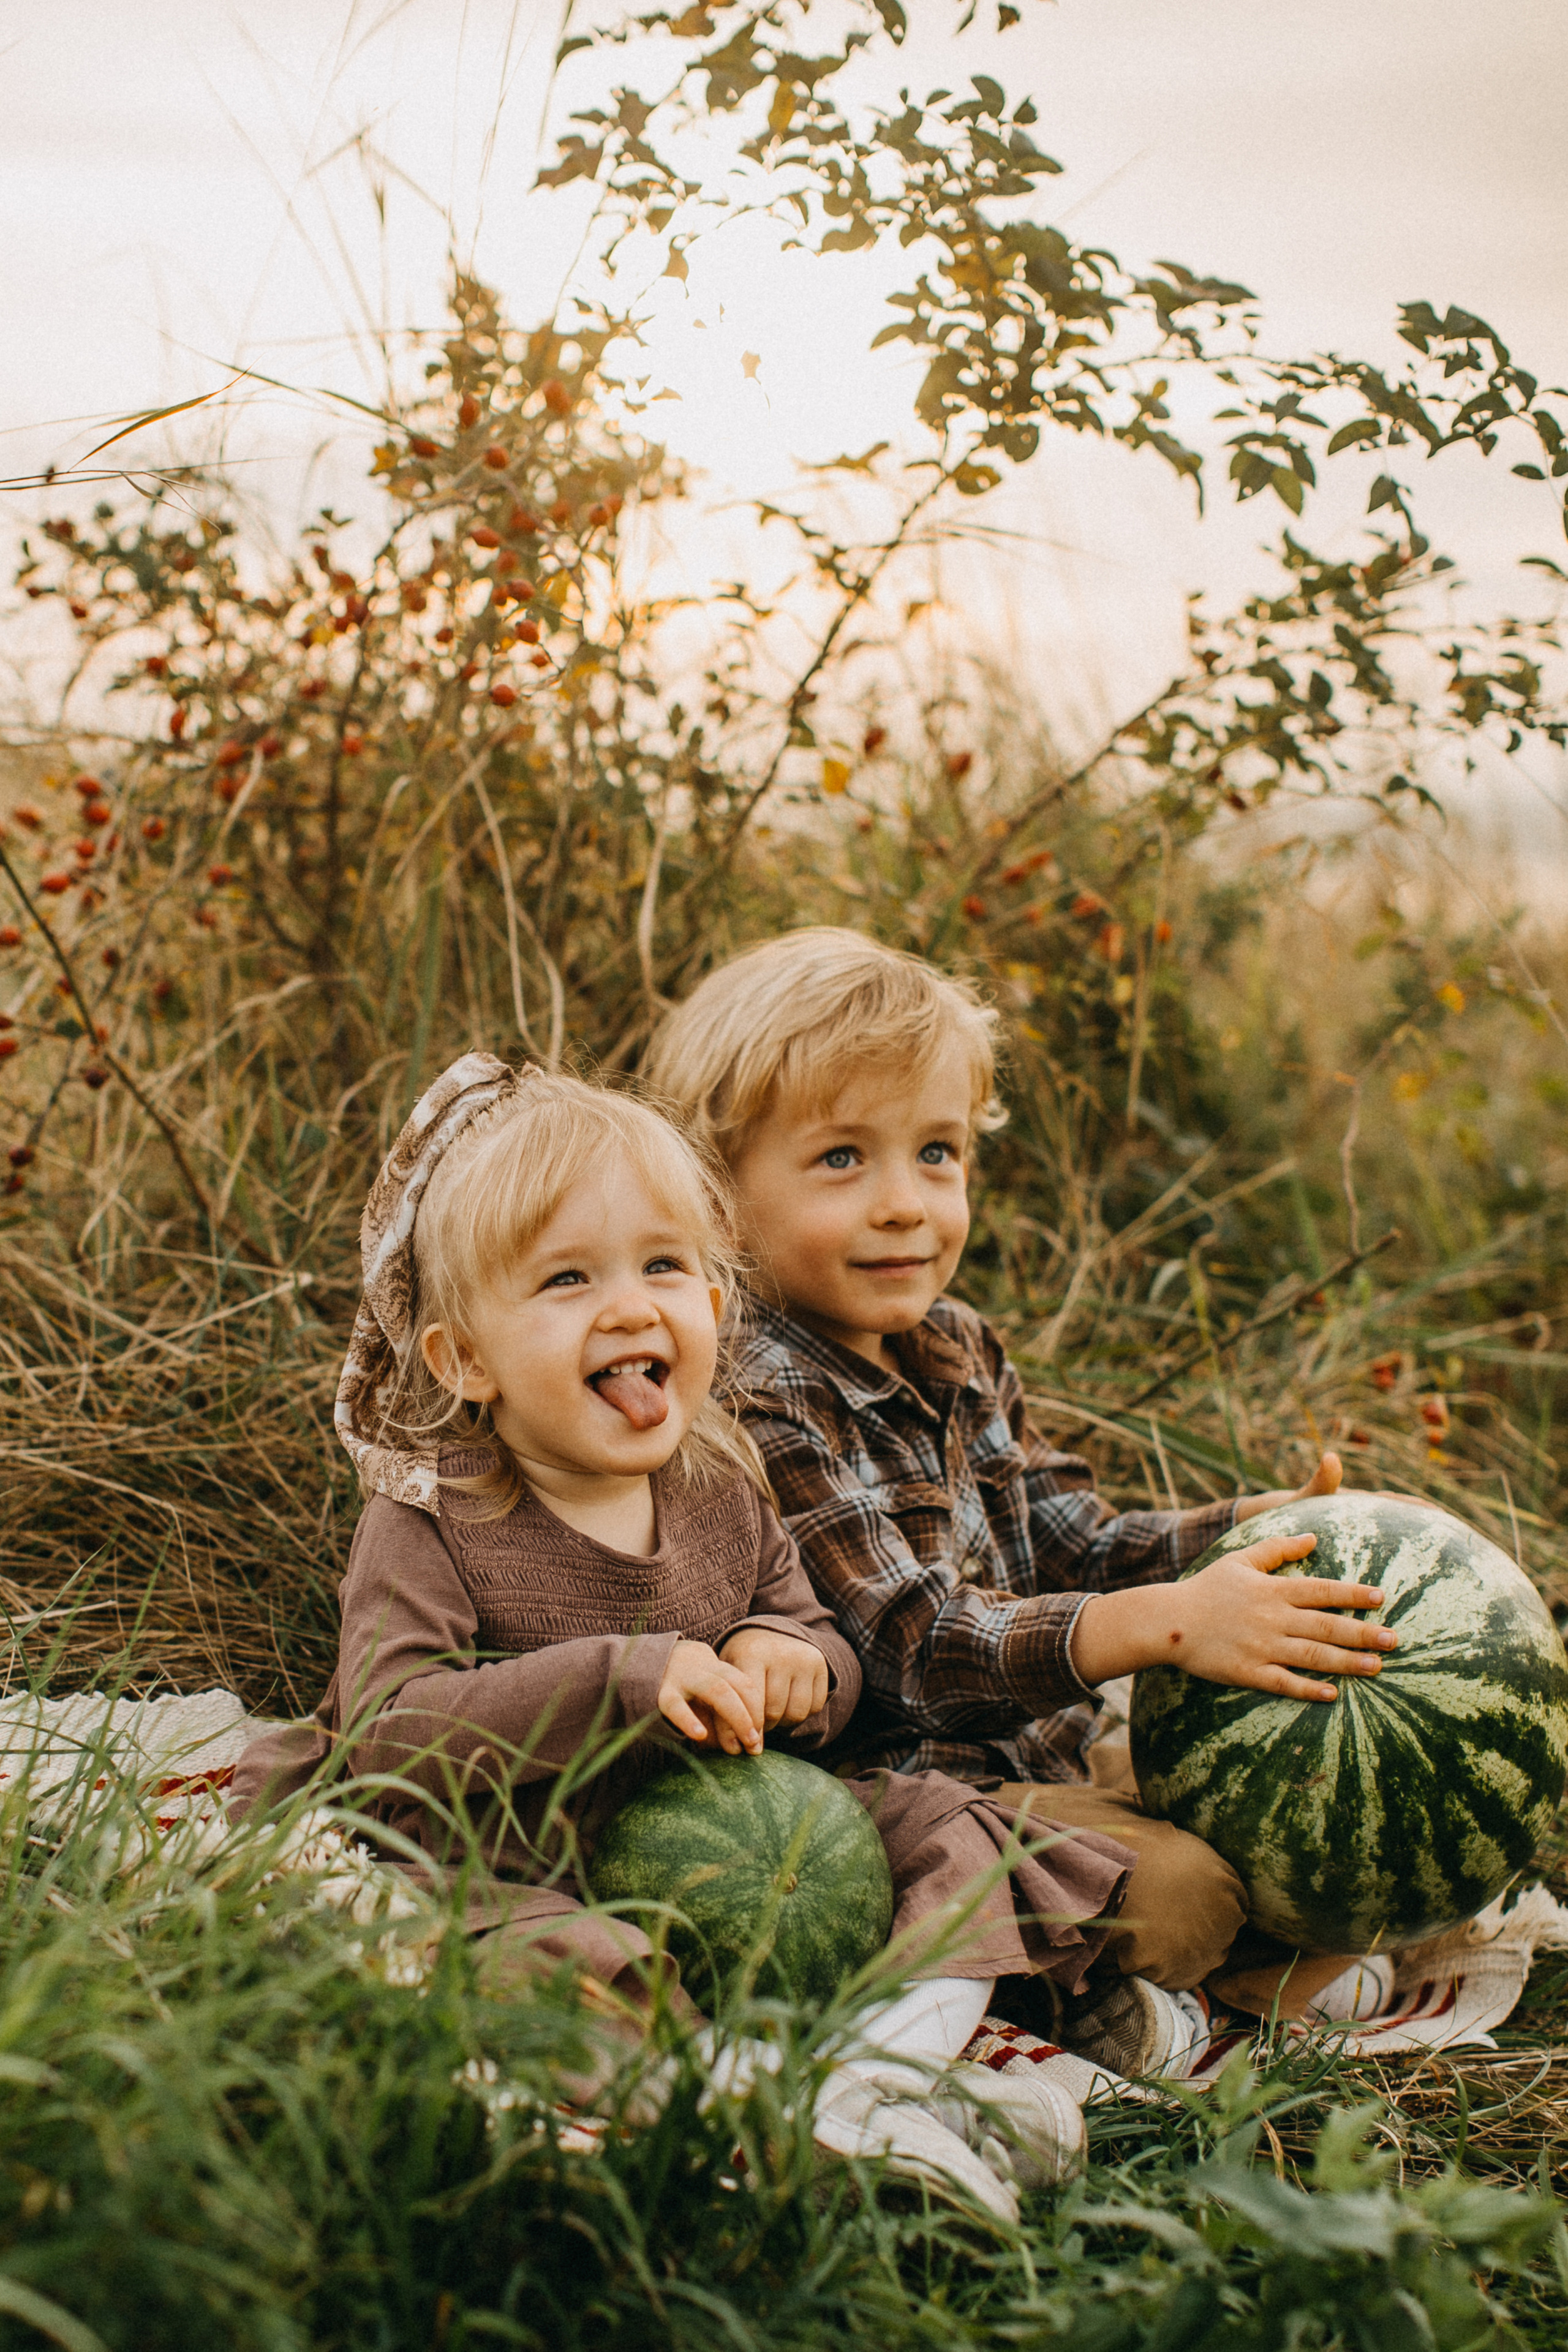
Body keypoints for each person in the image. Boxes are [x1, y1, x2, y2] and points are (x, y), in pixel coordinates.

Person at [229, 1052, 1158, 2218]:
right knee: (527, 1954)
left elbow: (815, 1635)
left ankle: (881, 2076)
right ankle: (739, 2100)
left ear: (714, 1308)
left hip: (740, 1841)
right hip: (518, 1853)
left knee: (955, 1835)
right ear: (465, 1360)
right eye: (568, 1279)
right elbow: (386, 1732)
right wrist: (624, 1677)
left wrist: (796, 1663)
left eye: (664, 1267)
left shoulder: (724, 1480)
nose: (632, 1306)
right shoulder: (432, 1516)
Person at [646, 928, 1403, 2074]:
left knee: (1262, 1790)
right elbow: (912, 1644)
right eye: (843, 1159)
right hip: (895, 1795)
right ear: (715, 1191)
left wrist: (1246, 1534)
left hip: (1036, 1752)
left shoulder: (951, 1343)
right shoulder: (753, 1390)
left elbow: (1074, 1541)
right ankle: (1117, 2007)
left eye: (937, 1153)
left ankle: (1198, 1977)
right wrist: (1166, 1625)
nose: (907, 1204)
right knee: (1185, 1889)